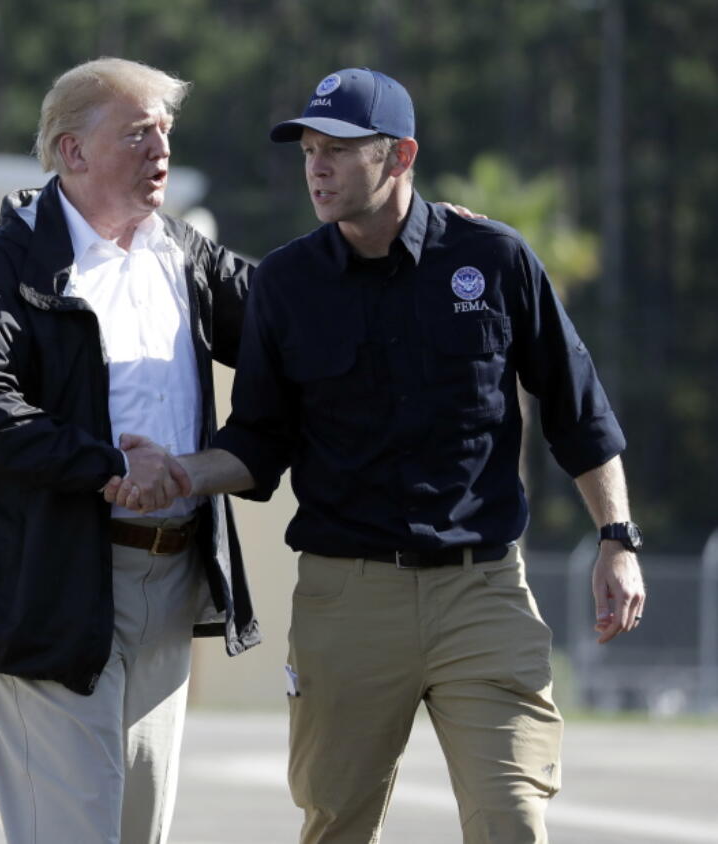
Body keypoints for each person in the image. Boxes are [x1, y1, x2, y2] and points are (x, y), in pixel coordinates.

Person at [109, 67, 647, 843]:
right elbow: (259, 441)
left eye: (339, 150)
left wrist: (617, 538)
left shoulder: (493, 259)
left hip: (482, 592)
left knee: (512, 820)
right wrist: (182, 473)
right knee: (337, 826)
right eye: (309, 151)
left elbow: (578, 409)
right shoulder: (287, 284)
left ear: (398, 157)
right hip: (345, 599)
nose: (316, 168)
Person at [0, 58, 261, 844]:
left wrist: (413, 244)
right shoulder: (6, 263)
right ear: (72, 151)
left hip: (169, 577)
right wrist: (106, 466)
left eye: (166, 131)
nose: (159, 148)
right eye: (137, 133)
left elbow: (301, 321)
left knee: (138, 831)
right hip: (50, 582)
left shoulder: (185, 257)